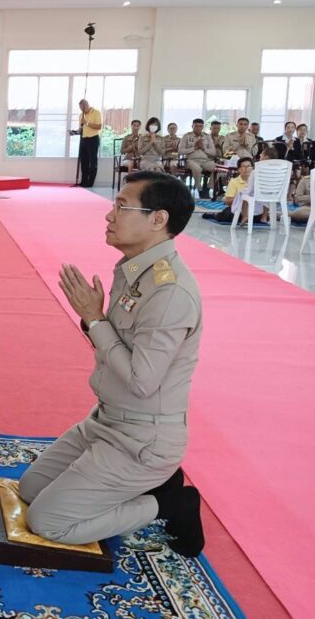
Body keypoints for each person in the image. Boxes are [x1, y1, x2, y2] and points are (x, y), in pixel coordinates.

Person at [19, 172, 204, 556]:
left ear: (158, 219)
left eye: (122, 206)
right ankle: (157, 483)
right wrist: (95, 321)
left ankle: (170, 503)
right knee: (31, 488)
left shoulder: (169, 292)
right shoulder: (135, 269)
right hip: (105, 421)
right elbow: (116, 345)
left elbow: (141, 381)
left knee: (48, 521)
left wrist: (94, 319)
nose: (109, 215)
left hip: (142, 439)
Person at [202, 156, 264, 224]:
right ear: (239, 170)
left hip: (254, 209)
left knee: (262, 216)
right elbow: (228, 201)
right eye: (243, 166)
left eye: (248, 166)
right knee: (227, 215)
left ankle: (246, 219)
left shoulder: (258, 181)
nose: (246, 169)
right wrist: (240, 199)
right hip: (238, 209)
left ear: (253, 168)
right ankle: (215, 215)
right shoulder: (234, 182)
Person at [179, 119, 217, 198]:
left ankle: (208, 188)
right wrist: (194, 147)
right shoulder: (186, 136)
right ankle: (199, 189)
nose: (198, 128)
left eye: (200, 126)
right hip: (191, 160)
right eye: (196, 126)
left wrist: (203, 148)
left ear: (203, 127)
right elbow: (180, 151)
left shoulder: (207, 136)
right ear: (192, 126)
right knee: (197, 169)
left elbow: (213, 152)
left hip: (205, 161)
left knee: (218, 168)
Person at [73, 99, 102, 187]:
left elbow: (99, 126)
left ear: (87, 105)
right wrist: (75, 132)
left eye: (82, 107)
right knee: (84, 161)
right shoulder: (81, 115)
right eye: (80, 108)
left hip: (93, 139)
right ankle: (84, 182)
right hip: (83, 139)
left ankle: (90, 183)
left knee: (92, 162)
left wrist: (87, 123)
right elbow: (81, 128)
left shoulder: (96, 112)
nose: (81, 109)